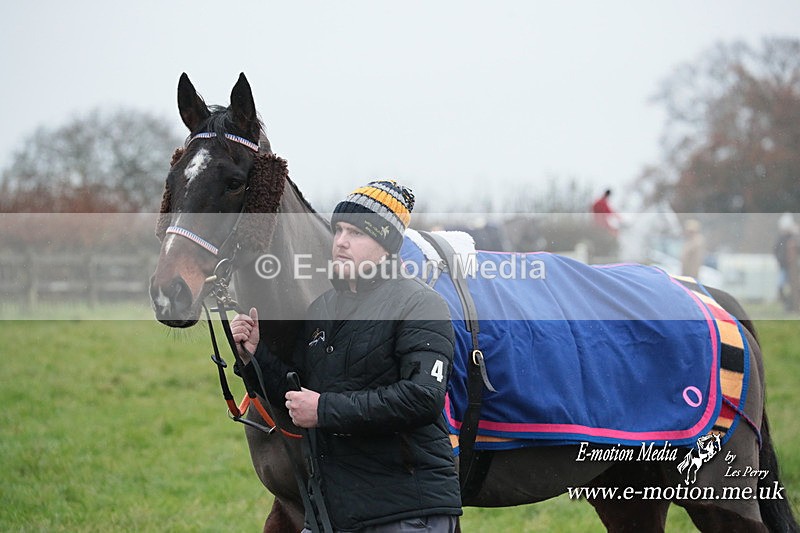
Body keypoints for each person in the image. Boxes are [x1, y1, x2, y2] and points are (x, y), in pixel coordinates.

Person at [231, 180, 462, 532]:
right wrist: (255, 355)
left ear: (385, 246)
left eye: (356, 232)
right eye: (338, 229)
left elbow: (422, 398)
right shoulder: (322, 309)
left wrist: (323, 410)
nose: (339, 241)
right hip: (331, 511)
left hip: (406, 512)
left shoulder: (420, 304)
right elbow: (296, 394)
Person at [774, 213, 800, 312]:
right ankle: (789, 305)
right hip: (785, 267)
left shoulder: (793, 237)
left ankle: (792, 306)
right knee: (782, 287)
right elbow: (776, 250)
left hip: (792, 268)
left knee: (793, 288)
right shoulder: (782, 238)